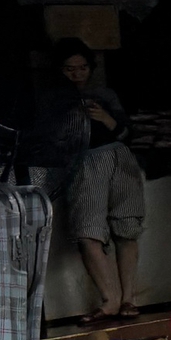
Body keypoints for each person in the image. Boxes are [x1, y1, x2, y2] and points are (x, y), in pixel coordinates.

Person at [37, 39, 147, 320]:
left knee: (126, 227)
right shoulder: (52, 98)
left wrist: (106, 118)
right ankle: (109, 300)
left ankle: (128, 300)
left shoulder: (104, 94)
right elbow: (50, 139)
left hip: (120, 159)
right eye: (69, 69)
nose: (77, 74)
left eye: (83, 67)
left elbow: (127, 133)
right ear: (59, 70)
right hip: (84, 162)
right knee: (88, 232)